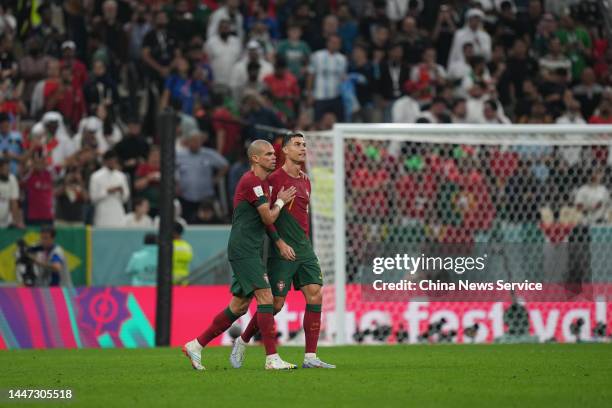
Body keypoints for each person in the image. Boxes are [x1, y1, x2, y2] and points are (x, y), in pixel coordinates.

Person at [183, 139, 297, 371]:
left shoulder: (262, 184)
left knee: (239, 307)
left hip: (249, 248)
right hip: (244, 249)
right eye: (267, 154)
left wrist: (279, 242)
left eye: (273, 154)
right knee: (266, 298)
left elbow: (264, 223)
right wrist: (282, 202)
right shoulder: (252, 182)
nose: (273, 157)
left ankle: (195, 345)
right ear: (254, 158)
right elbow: (268, 218)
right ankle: (272, 358)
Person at [231, 132, 335, 369]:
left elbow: (301, 215)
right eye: (297, 144)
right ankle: (243, 340)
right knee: (275, 304)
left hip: (304, 247)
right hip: (282, 249)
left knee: (315, 293)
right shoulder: (273, 180)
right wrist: (279, 242)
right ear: (284, 150)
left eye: (305, 145)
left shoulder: (306, 180)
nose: (303, 148)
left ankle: (310, 357)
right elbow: (266, 217)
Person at [89, 150, 130, 226]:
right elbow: (93, 198)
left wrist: (121, 191)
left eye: (114, 161)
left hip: (118, 211)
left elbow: (126, 198)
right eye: (111, 161)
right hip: (102, 212)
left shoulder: (121, 176)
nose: (113, 163)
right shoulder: (96, 176)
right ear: (105, 161)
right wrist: (107, 191)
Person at [0, 157, 22, 228]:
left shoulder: (12, 179)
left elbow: (14, 201)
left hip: (5, 221)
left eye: (8, 168)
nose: (8, 171)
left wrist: (17, 221)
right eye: (5, 169)